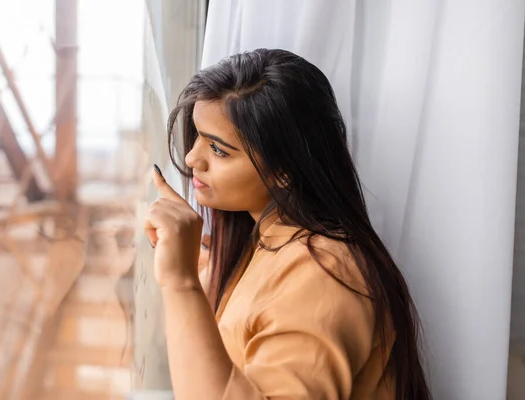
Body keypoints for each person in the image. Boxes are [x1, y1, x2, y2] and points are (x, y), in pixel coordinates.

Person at [144, 48, 430, 400]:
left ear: (284, 170)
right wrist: (199, 275)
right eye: (197, 136)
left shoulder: (322, 272)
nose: (191, 159)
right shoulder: (261, 244)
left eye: (218, 150)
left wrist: (180, 283)